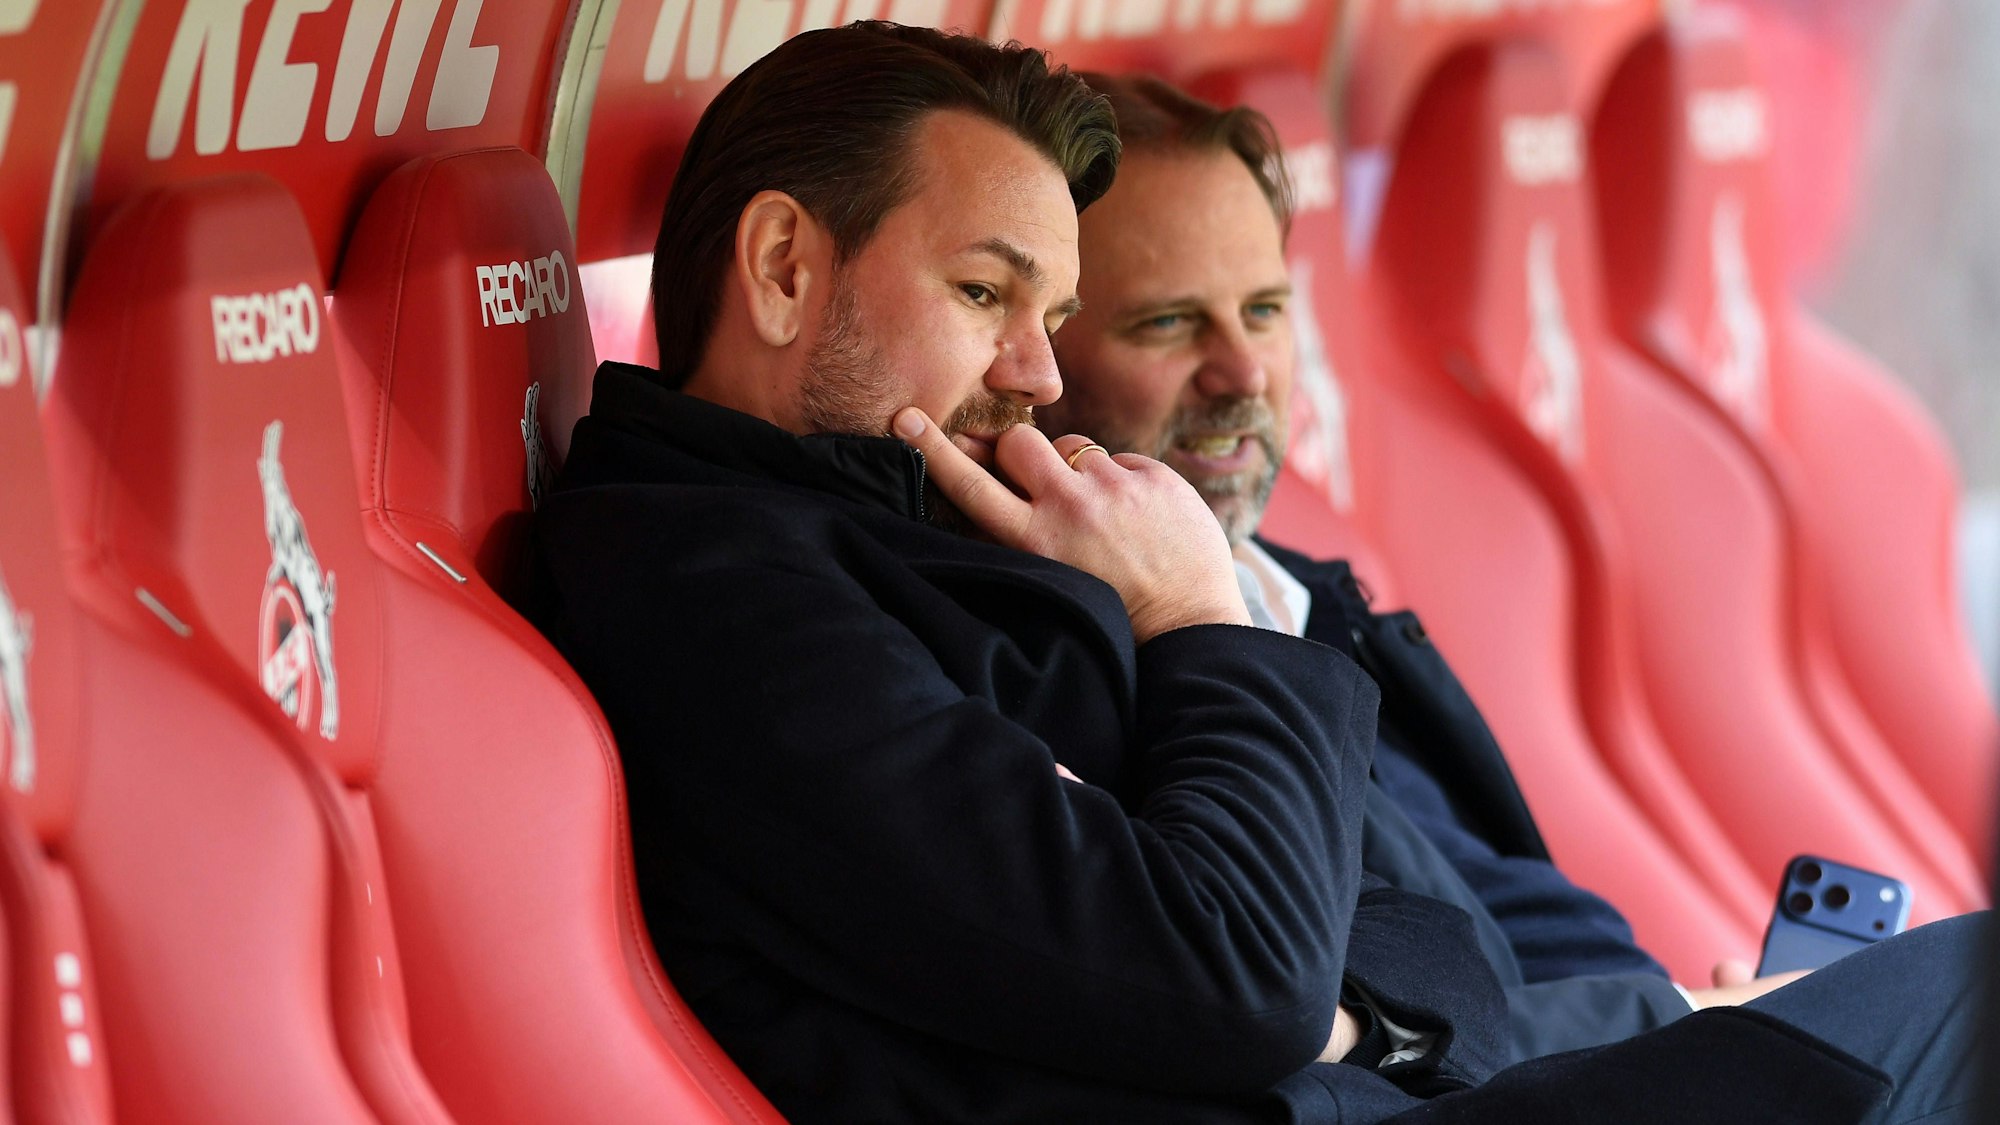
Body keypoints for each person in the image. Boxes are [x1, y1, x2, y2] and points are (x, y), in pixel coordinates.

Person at [529, 21, 1942, 1123]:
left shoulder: (913, 536)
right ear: (782, 267)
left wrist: (1352, 1009)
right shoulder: (715, 597)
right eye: (983, 294)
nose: (1036, 372)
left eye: (1059, 314)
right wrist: (1199, 615)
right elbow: (1234, 972)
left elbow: (1436, 954)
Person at [1037, 71, 1985, 1115]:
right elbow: (1352, 1011)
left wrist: (1698, 1007)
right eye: (1167, 325)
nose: (1241, 372)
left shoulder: (1298, 595)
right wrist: (1683, 1018)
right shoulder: (1073, 666)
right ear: (1032, 356)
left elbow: (1505, 913)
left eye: (1263, 310)